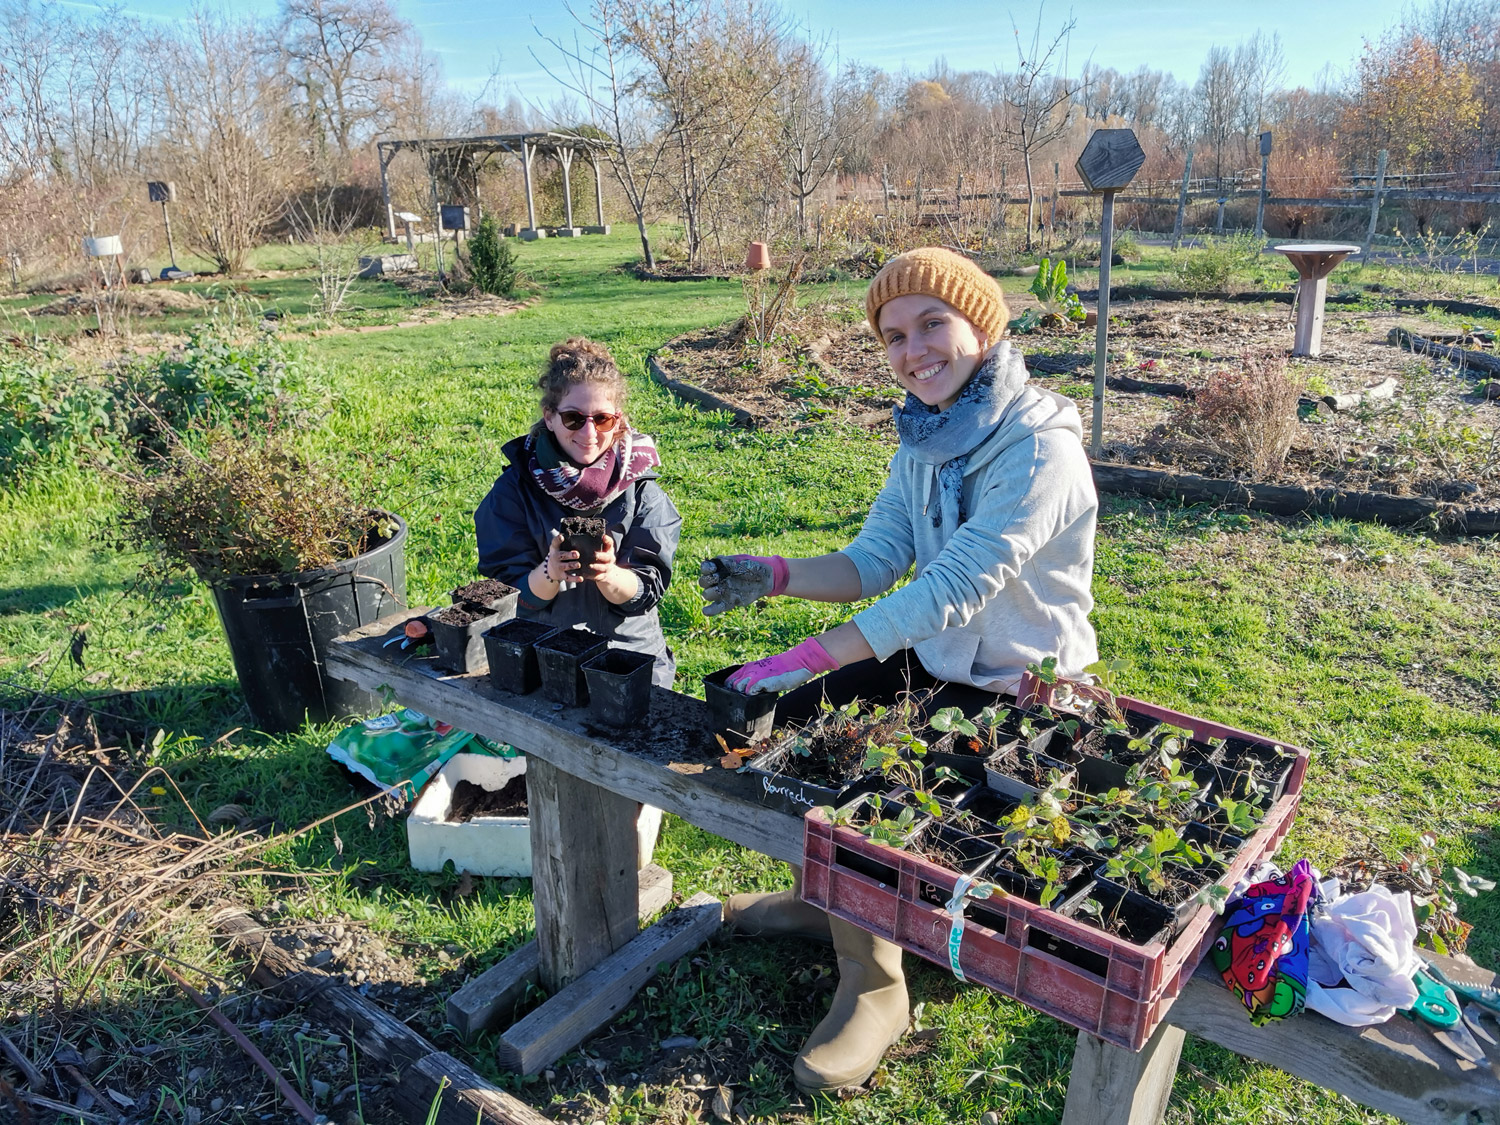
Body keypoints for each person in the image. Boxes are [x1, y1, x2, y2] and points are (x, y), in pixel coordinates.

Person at [698, 247, 1100, 1093]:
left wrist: (817, 650)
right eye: (893, 335)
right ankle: (838, 903)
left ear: (981, 325)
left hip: (1019, 693)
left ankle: (878, 985)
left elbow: (954, 587)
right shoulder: (926, 433)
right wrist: (776, 572)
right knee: (803, 734)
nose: (914, 350)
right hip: (939, 663)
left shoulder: (1040, 449)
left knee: (876, 785)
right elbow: (878, 558)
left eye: (932, 324)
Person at [476, 338, 681, 687]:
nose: (589, 433)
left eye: (602, 419)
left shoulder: (643, 490)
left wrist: (608, 574)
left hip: (628, 660)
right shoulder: (514, 488)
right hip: (541, 657)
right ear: (550, 417)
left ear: (617, 421)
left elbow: (647, 589)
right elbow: (507, 595)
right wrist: (549, 572)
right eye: (574, 418)